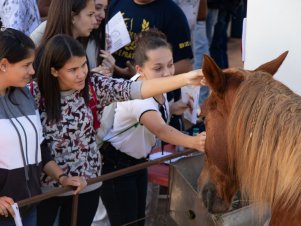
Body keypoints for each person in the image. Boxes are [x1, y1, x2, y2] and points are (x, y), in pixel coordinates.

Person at [32, 34, 204, 226]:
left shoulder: (94, 85)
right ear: (54, 71)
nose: (81, 73)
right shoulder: (34, 93)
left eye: (83, 66)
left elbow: (137, 89)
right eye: (73, 70)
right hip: (47, 187)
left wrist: (186, 78)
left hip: (87, 183)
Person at [100, 29, 206, 226]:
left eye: (170, 64)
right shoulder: (140, 97)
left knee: (138, 220)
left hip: (137, 162)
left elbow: (155, 120)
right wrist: (194, 142)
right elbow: (160, 130)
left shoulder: (156, 85)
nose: (167, 73)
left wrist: (173, 108)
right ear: (140, 70)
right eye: (158, 68)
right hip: (116, 166)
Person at [0, 23, 86, 226]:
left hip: (28, 206)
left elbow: (39, 147)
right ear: (4, 64)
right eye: (26, 65)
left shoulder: (24, 94)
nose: (32, 71)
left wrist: (62, 177)